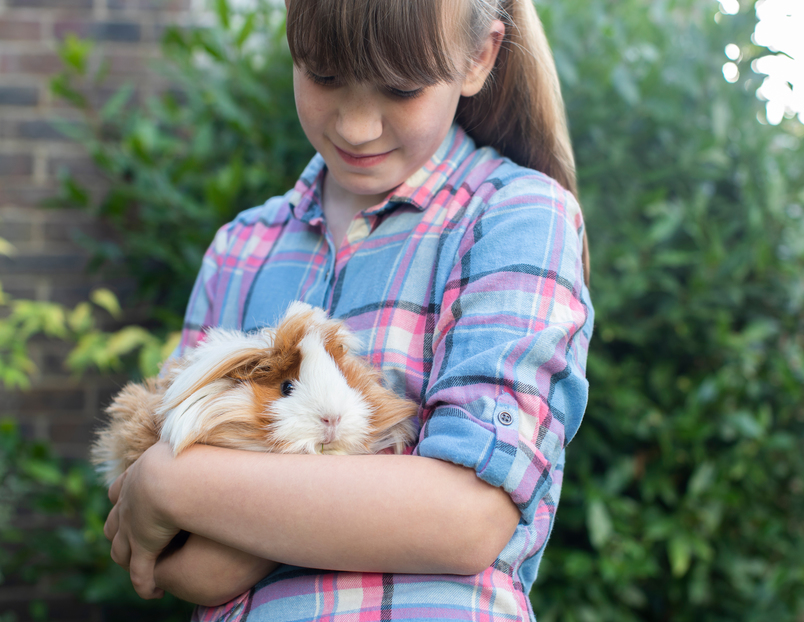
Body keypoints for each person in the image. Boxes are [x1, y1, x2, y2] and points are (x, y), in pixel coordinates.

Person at [103, 0, 593, 619]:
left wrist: (180, 484)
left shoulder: (515, 215)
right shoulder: (240, 249)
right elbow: (185, 564)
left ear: (480, 57)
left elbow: (465, 517)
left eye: (401, 87)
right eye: (325, 75)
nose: (358, 126)